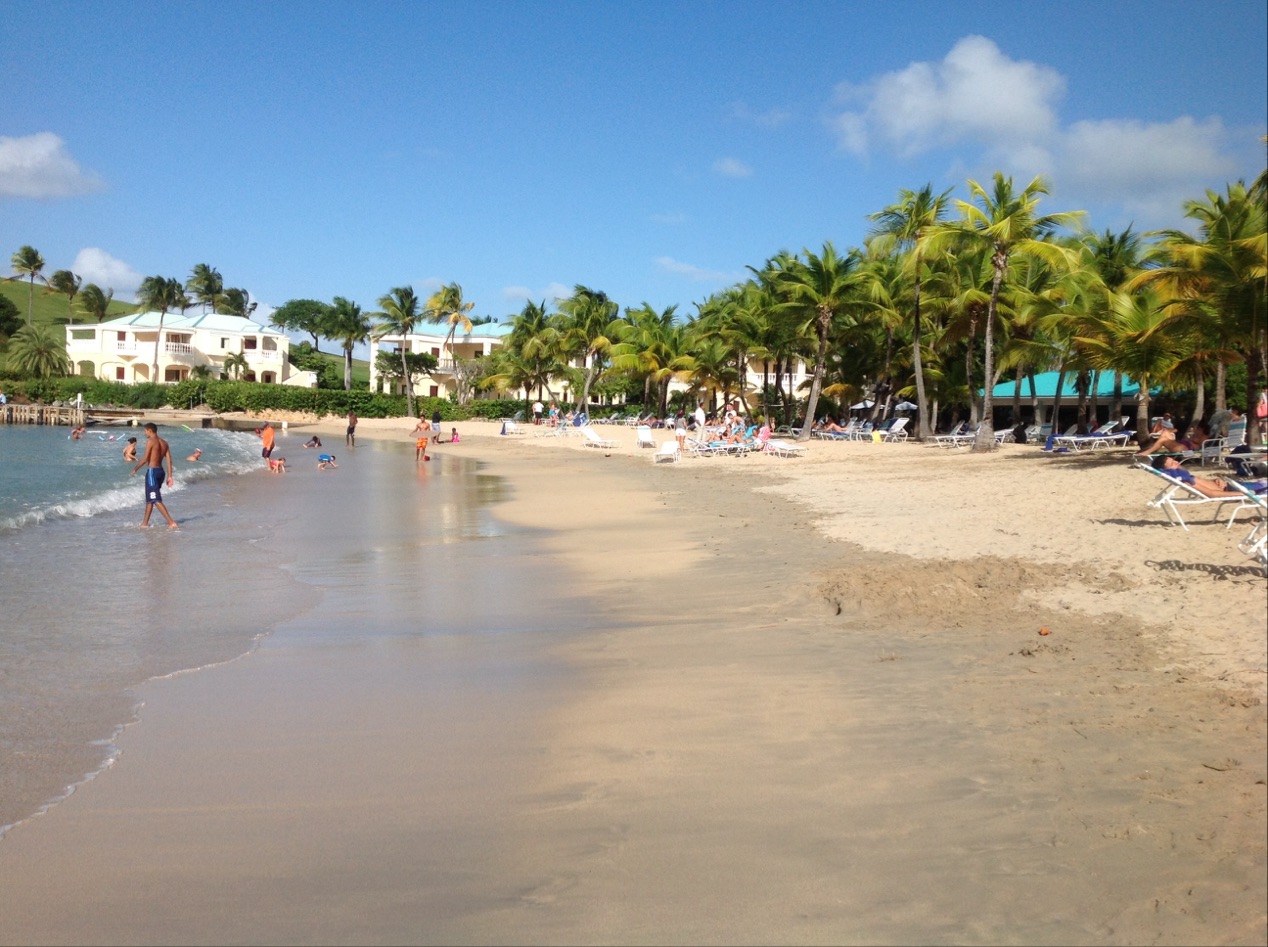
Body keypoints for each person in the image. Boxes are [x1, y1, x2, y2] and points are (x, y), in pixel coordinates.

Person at [130, 422, 176, 528]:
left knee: (155, 499)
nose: (144, 433)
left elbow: (145, 458)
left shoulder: (150, 441)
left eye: (145, 431)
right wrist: (170, 476)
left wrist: (135, 468)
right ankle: (144, 523)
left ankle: (171, 522)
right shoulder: (164, 443)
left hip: (152, 472)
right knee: (150, 498)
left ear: (150, 430)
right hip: (161, 472)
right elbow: (169, 460)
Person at [1152, 455, 1263, 498]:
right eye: (1172, 464)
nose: (1176, 462)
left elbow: (1208, 484)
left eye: (1174, 460)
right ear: (1167, 470)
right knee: (1263, 486)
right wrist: (1243, 494)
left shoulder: (1184, 475)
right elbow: (1211, 494)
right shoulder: (1185, 481)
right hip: (1232, 489)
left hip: (1229, 485)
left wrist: (1217, 479)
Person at [1136, 421, 1208, 459]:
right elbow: (1189, 439)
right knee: (1165, 432)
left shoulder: (1204, 437)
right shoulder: (1198, 435)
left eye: (1199, 428)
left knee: (1163, 439)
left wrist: (1195, 435)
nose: (1197, 429)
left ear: (1202, 429)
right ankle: (1153, 449)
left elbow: (1198, 445)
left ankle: (1148, 451)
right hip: (1182, 446)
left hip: (1188, 451)